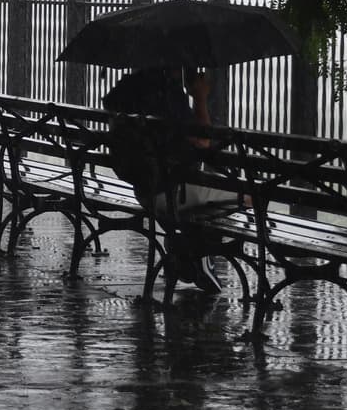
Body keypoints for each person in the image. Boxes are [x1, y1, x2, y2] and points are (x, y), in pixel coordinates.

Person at [103, 66, 245, 293]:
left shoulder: (128, 90)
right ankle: (201, 253)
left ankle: (186, 250)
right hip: (171, 192)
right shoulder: (167, 95)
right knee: (249, 198)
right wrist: (199, 97)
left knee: (202, 197)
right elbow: (204, 142)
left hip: (144, 191)